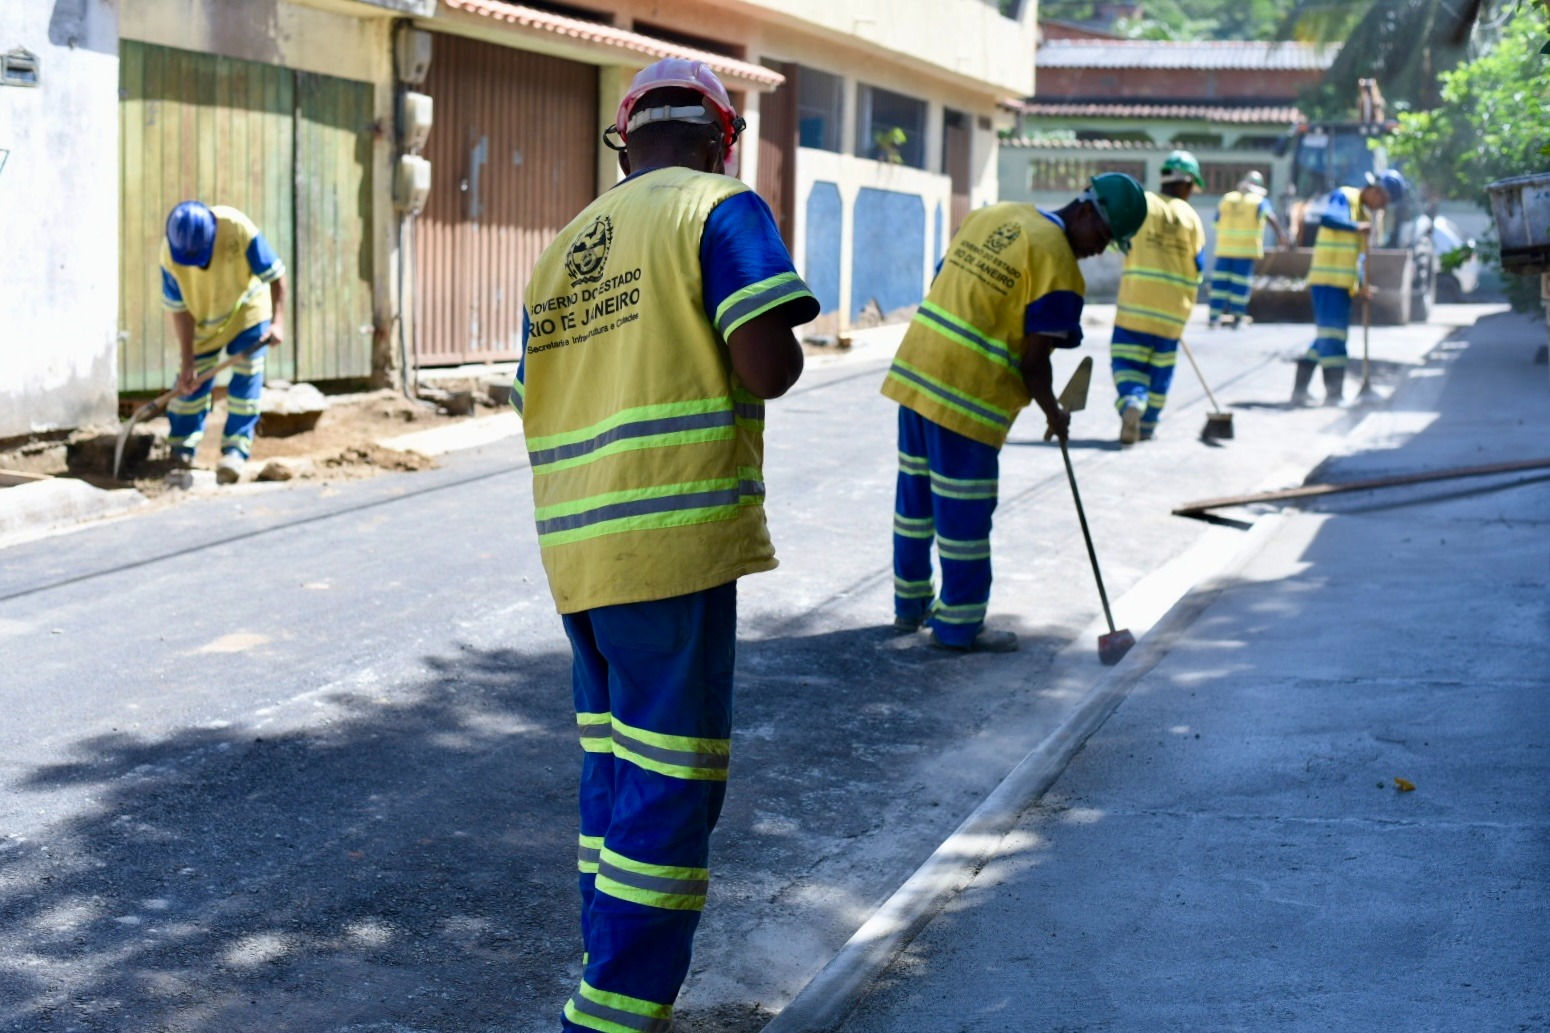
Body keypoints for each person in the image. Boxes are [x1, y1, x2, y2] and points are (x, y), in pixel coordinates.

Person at [511, 58, 818, 1033]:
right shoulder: (719, 210)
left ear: (624, 140)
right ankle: (613, 1012)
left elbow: (534, 397)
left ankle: (607, 977)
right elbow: (764, 367)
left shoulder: (561, 249)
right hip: (669, 541)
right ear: (722, 139)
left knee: (614, 776)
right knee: (670, 782)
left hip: (577, 552)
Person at [882, 171, 1147, 653]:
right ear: (1086, 212)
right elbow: (1033, 362)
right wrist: (1054, 414)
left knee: (915, 503)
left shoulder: (996, 213)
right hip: (967, 396)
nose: (1098, 250)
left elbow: (945, 278)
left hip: (916, 371)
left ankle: (910, 606)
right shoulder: (1060, 266)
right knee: (964, 514)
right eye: (1104, 238)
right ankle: (958, 626)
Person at [160, 201, 286, 484]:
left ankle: (235, 452)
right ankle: (181, 449)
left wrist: (278, 321)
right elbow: (179, 310)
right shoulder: (169, 255)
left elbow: (277, 275)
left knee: (246, 382)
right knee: (189, 386)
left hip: (246, 312)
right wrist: (188, 361)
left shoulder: (237, 227)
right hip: (203, 320)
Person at [1111, 150, 1207, 444]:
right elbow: (1198, 267)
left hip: (1135, 308)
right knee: (1160, 372)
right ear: (1186, 184)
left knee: (1127, 364)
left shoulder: (1143, 205)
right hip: (1172, 315)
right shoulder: (1191, 217)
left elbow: (1118, 244)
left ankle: (1132, 403)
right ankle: (1148, 426)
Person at [1292, 169, 1408, 406]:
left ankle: (1299, 390)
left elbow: (1358, 258)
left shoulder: (1362, 213)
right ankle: (1334, 394)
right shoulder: (1345, 197)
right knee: (1334, 338)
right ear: (1376, 190)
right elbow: (1328, 219)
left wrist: (1362, 285)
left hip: (1342, 285)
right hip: (1327, 281)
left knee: (1326, 337)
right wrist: (1357, 227)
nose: (1381, 207)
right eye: (1383, 201)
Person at [1207, 170, 1289, 329]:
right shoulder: (1258, 201)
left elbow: (1216, 223)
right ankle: (1237, 318)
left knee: (1219, 286)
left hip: (1224, 250)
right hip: (1244, 252)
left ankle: (1213, 318)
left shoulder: (1227, 199)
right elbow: (1269, 216)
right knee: (1240, 286)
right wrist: (1281, 235)